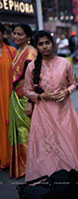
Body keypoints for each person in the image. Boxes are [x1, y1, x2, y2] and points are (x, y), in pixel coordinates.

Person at [24, 30, 78, 182]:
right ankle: (50, 177)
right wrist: (42, 96)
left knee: (67, 142)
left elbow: (73, 84)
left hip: (64, 110)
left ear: (53, 43)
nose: (45, 47)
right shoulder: (31, 67)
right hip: (43, 111)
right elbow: (27, 91)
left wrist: (67, 92)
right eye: (41, 44)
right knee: (47, 145)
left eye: (47, 43)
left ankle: (72, 175)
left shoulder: (65, 63)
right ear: (36, 46)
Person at [9, 23, 37, 178]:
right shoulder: (19, 51)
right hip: (16, 97)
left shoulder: (31, 52)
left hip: (26, 98)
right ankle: (25, 167)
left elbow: (35, 78)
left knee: (29, 132)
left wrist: (30, 101)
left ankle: (31, 168)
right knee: (22, 133)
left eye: (19, 34)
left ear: (28, 37)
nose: (15, 36)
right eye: (14, 33)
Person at [0, 23, 17, 169]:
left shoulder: (12, 51)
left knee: (9, 125)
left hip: (9, 95)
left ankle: (10, 158)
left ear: (3, 34)